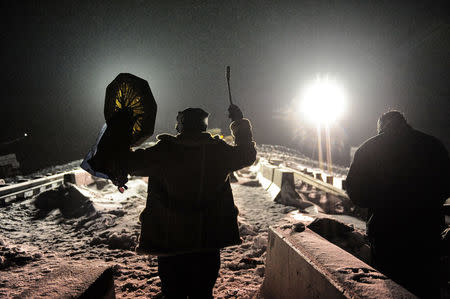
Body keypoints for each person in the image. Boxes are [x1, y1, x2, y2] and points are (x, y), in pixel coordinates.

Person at [116, 104, 256, 298]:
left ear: (179, 126)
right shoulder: (218, 151)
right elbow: (247, 155)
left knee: (173, 293)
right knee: (203, 293)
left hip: (171, 241)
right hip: (208, 240)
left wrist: (124, 128)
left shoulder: (163, 152)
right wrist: (239, 123)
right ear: (204, 126)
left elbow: (127, 162)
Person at [346, 110, 450, 298]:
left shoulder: (368, 148)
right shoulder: (433, 145)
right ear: (405, 123)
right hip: (427, 231)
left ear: (381, 127)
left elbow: (356, 193)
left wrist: (381, 201)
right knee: (425, 286)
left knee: (389, 288)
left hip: (386, 233)